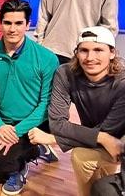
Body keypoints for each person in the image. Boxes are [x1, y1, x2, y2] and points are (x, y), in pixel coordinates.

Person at [28, 26, 125, 196]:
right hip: (102, 139)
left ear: (112, 53)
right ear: (76, 53)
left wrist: (53, 139)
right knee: (81, 157)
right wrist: (102, 137)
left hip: (120, 143)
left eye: (98, 50)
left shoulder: (122, 83)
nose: (90, 57)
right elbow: (57, 123)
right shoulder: (65, 74)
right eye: (84, 50)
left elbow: (111, 132)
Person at [0, 0, 58, 195]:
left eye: (19, 23)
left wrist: (17, 131)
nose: (13, 29)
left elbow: (45, 104)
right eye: (8, 23)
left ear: (27, 24)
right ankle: (37, 150)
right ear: (0, 23)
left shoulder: (47, 58)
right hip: (5, 123)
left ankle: (26, 160)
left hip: (35, 124)